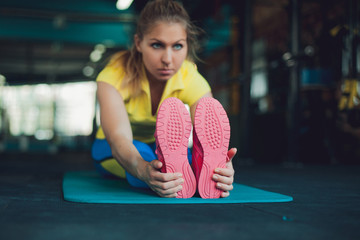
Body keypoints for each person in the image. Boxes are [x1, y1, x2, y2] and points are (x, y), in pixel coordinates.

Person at [92, 0, 237, 198]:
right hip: (112, 149)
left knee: (191, 159)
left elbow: (209, 132)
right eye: (157, 45)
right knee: (141, 153)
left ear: (187, 46)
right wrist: (143, 170)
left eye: (177, 46)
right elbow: (119, 140)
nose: (168, 59)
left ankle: (200, 174)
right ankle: (154, 174)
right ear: (138, 43)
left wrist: (223, 169)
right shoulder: (113, 76)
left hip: (162, 149)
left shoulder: (189, 77)